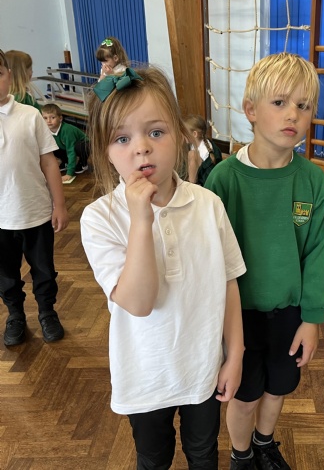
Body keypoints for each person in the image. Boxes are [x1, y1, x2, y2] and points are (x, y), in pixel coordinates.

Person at [80, 65, 246, 469]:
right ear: (105, 150)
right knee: (153, 459)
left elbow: (228, 282)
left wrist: (235, 353)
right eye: (122, 138)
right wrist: (142, 220)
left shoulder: (208, 205)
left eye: (156, 132)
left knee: (203, 453)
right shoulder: (100, 218)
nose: (141, 148)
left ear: (180, 134)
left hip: (202, 368)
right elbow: (138, 303)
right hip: (145, 377)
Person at [205, 52, 324, 470]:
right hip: (238, 316)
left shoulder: (313, 181)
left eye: (304, 105)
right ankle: (241, 455)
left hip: (290, 315)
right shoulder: (223, 180)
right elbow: (210, 261)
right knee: (245, 396)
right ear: (251, 110)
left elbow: (318, 254)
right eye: (279, 102)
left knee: (278, 390)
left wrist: (312, 320)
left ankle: (264, 444)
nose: (292, 114)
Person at [0, 49, 68, 346]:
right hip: (1, 220)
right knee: (6, 274)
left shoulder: (30, 116)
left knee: (43, 269)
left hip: (35, 212)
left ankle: (47, 312)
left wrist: (59, 204)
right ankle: (15, 314)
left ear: (9, 76)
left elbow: (49, 162)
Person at [42, 103, 90, 180]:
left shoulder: (67, 130)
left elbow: (71, 151)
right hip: (64, 146)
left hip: (83, 146)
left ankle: (83, 164)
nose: (48, 121)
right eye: (45, 118)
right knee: (50, 146)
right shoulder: (45, 131)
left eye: (52, 117)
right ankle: (65, 162)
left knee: (79, 147)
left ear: (60, 118)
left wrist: (69, 173)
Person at [184, 114, 223, 186]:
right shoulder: (196, 144)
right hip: (199, 181)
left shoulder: (206, 154)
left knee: (192, 154)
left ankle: (190, 185)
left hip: (205, 185)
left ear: (195, 134)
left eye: (185, 133)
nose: (183, 135)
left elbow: (210, 181)